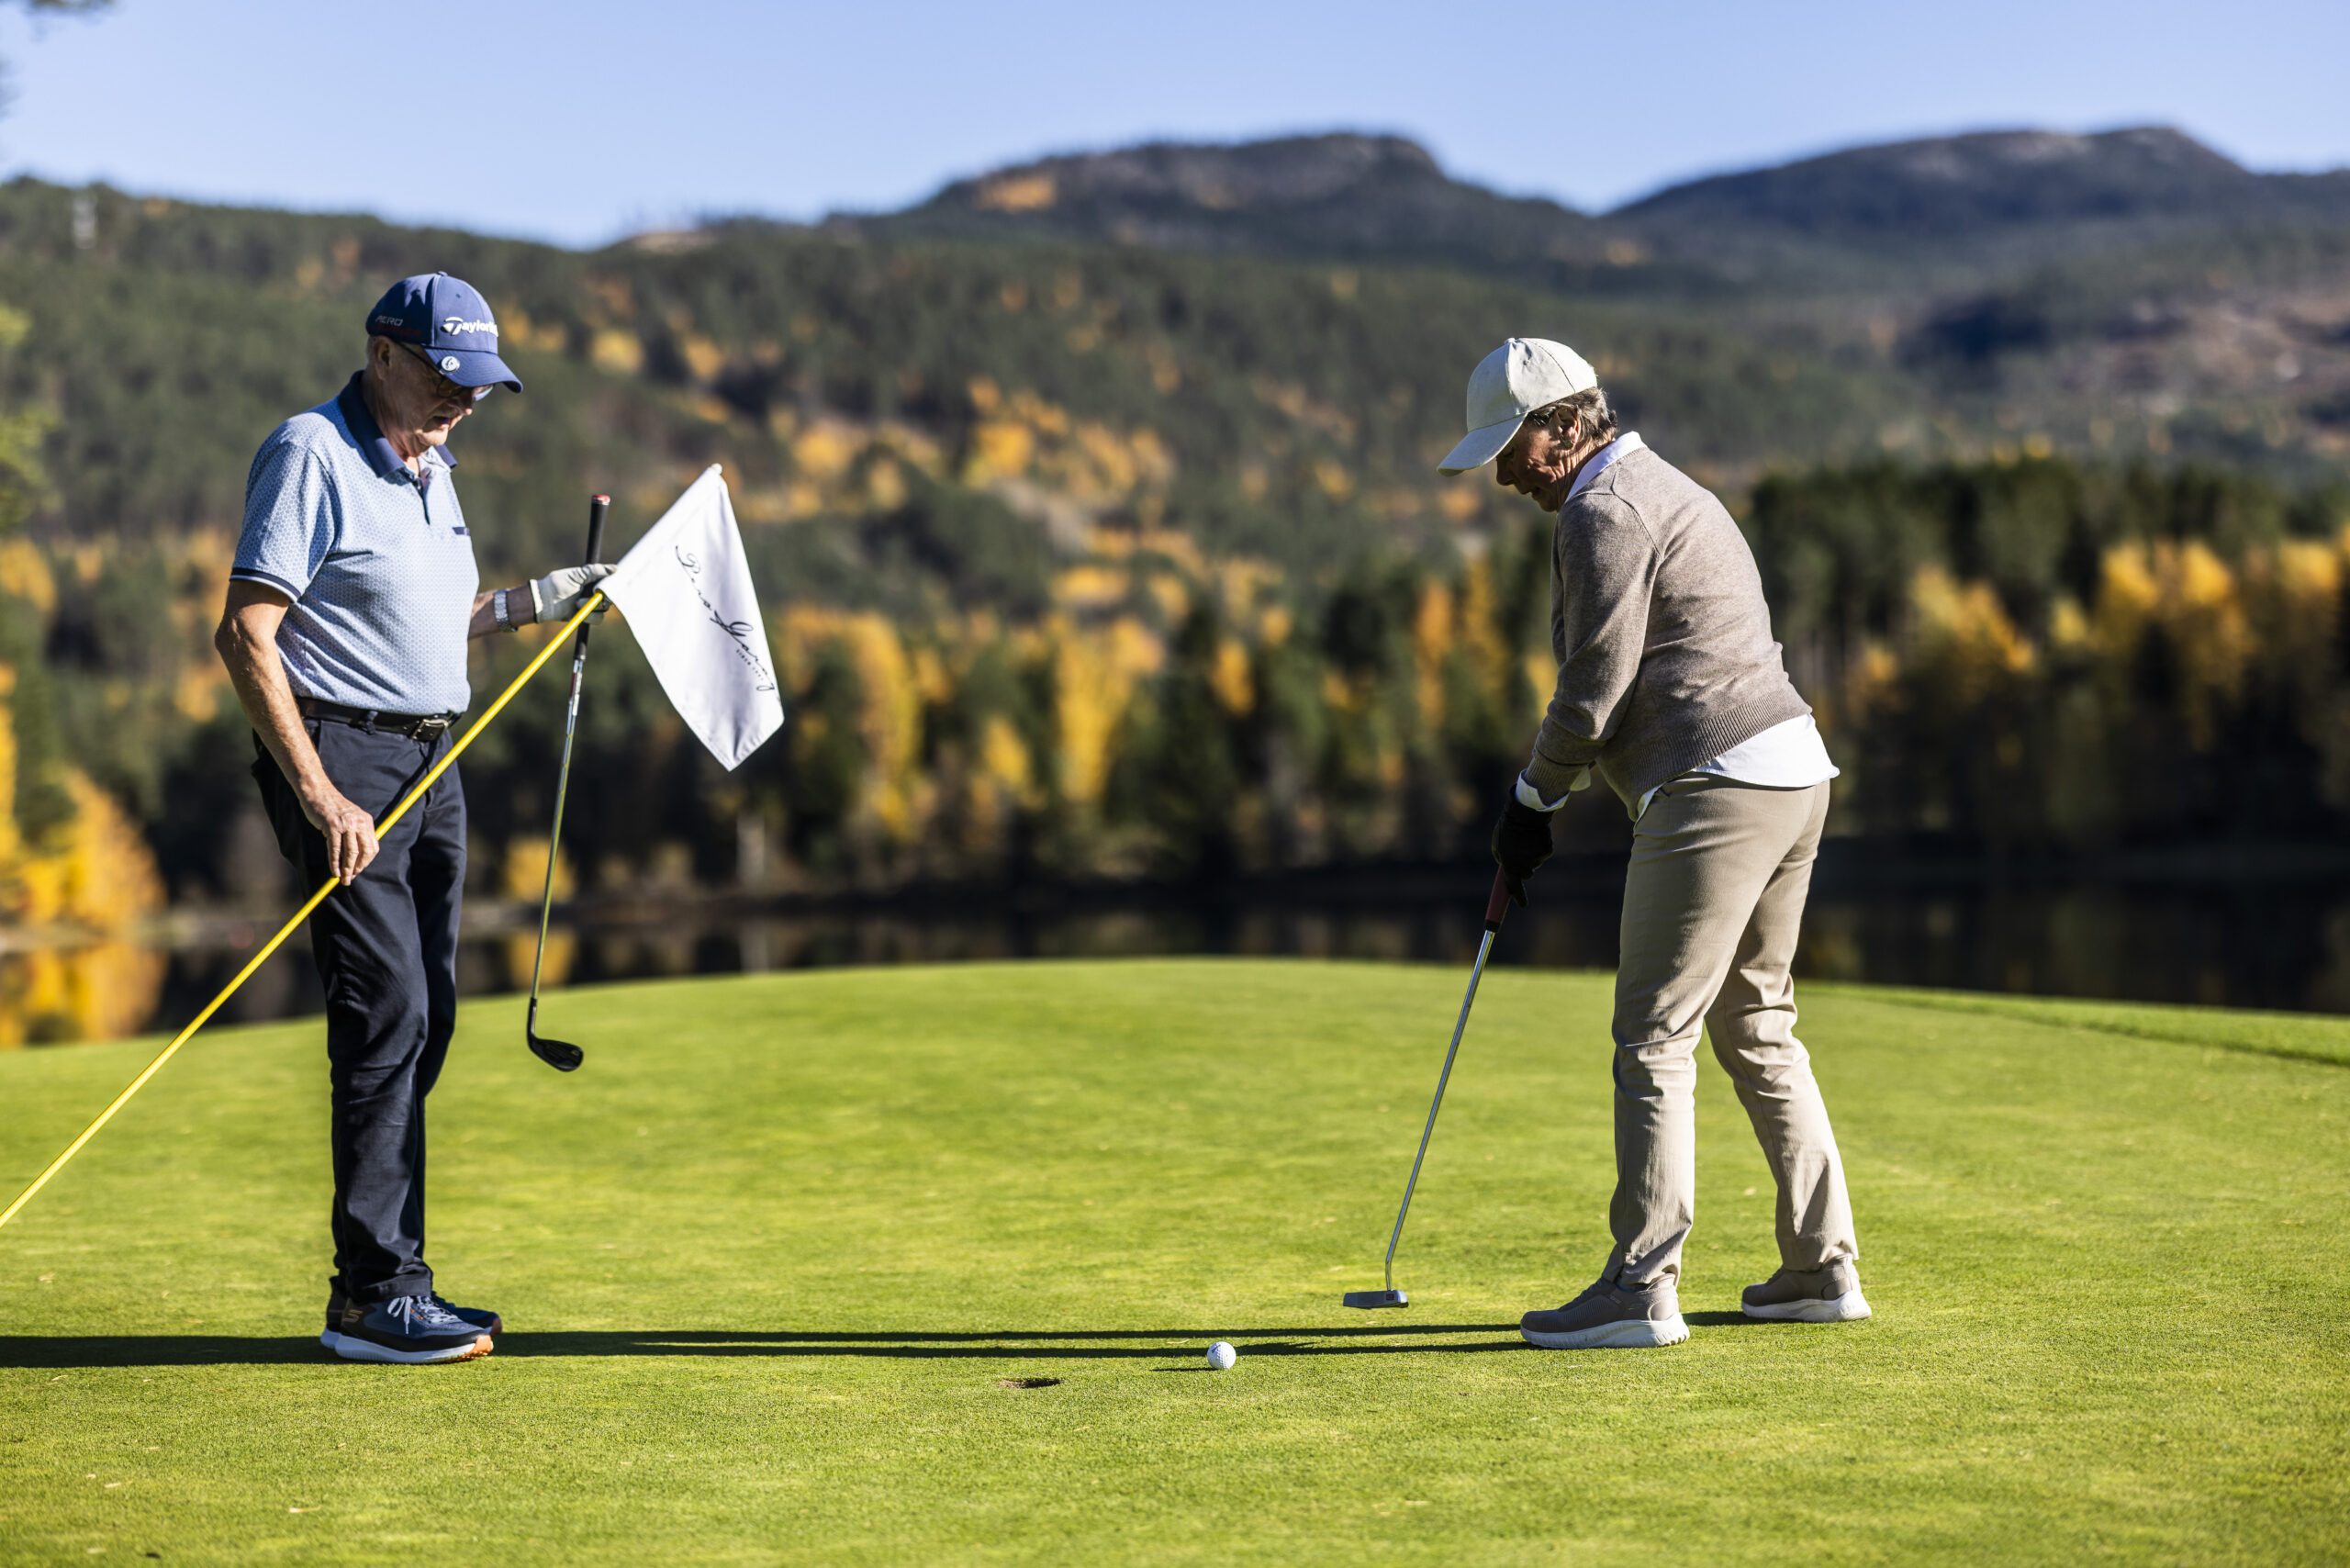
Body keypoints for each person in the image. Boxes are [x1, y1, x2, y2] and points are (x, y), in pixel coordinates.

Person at [1438, 338, 1868, 1350]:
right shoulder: (1665, 486)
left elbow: (1594, 687)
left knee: (1653, 1036)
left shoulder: (1602, 512)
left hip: (1715, 782)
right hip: (1791, 770)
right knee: (1756, 1023)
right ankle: (1819, 1267)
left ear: (1564, 422)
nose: (1504, 473)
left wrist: (1530, 800)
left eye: (1512, 446)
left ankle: (1641, 1284)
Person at [215, 273, 612, 1365]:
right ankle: (377, 1291)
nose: (461, 403)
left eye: (476, 387)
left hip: (438, 761)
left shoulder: (432, 468)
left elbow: (440, 618)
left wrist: (537, 602)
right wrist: (319, 793)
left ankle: (387, 1276)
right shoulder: (312, 453)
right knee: (386, 1007)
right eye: (445, 379)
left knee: (428, 1011)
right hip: (343, 756)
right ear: (384, 352)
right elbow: (248, 634)